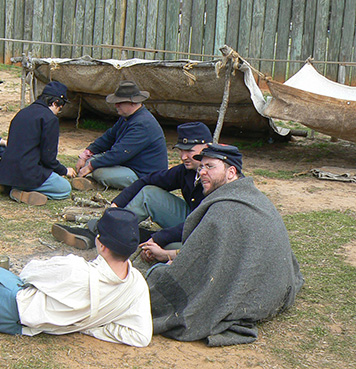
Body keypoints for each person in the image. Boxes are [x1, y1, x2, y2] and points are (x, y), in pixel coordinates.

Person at [144, 144, 304, 346]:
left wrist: (166, 267)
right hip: (275, 290)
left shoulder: (225, 210)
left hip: (257, 297)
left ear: (231, 172)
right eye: (201, 167)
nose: (202, 172)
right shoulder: (251, 196)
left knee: (157, 280)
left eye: (210, 167)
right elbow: (210, 250)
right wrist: (166, 254)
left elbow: (196, 261)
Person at [0, 208, 153, 347]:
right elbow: (141, 336)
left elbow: (28, 272)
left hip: (8, 304)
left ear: (102, 244)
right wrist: (88, 326)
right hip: (23, 325)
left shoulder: (76, 270)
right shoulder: (136, 285)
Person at [112, 121, 212, 261]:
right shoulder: (186, 171)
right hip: (192, 220)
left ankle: (147, 242)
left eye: (189, 150)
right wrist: (116, 205)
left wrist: (159, 238)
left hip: (209, 231)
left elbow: (205, 223)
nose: (183, 157)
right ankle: (114, 230)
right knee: (149, 193)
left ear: (207, 147)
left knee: (176, 247)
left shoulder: (218, 176)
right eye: (181, 150)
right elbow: (148, 180)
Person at [72, 80, 168, 190]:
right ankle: (92, 181)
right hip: (128, 165)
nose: (116, 105)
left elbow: (119, 153)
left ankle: (95, 182)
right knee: (92, 161)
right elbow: (108, 137)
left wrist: (91, 166)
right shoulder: (128, 117)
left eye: (120, 102)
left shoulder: (143, 124)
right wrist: (85, 155)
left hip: (143, 174)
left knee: (99, 172)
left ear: (132, 102)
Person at [0, 81, 76, 206]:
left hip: (5, 172)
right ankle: (20, 191)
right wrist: (64, 171)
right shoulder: (50, 119)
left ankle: (11, 187)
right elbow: (48, 158)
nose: (58, 111)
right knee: (64, 188)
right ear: (55, 103)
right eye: (60, 108)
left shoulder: (22, 112)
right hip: (26, 172)